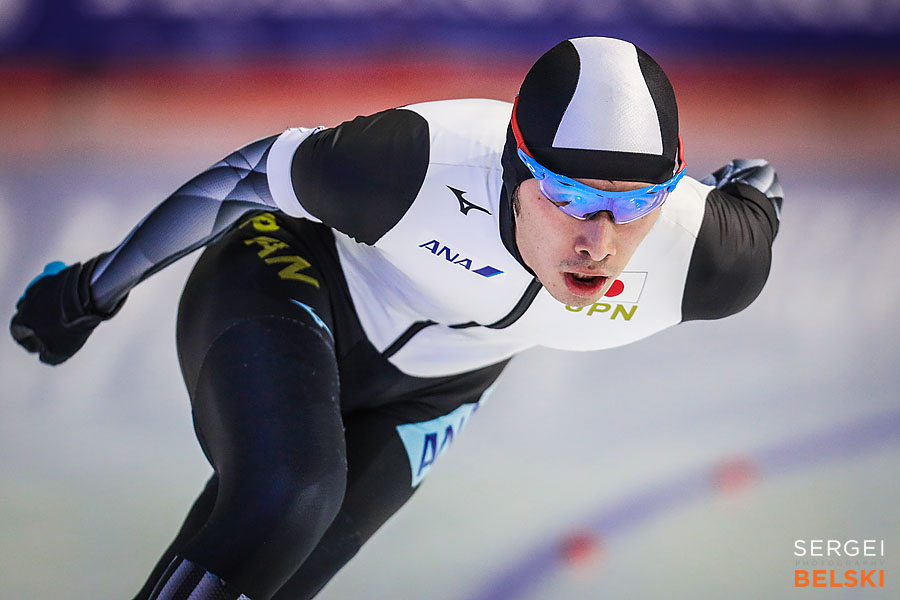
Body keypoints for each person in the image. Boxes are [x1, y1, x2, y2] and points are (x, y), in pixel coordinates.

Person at [9, 36, 782, 600]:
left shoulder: (706, 259)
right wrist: (93, 288)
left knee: (282, 576)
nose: (599, 241)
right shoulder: (419, 161)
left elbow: (751, 195)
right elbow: (249, 176)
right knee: (291, 495)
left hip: (434, 391)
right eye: (570, 197)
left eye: (633, 204)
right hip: (290, 281)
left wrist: (743, 193)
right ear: (513, 167)